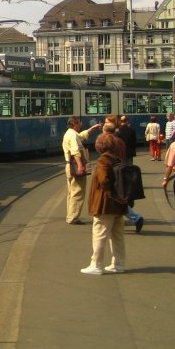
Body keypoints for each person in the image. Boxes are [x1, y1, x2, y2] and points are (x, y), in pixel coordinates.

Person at [80, 133, 128, 275]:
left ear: (100, 146)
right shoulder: (118, 159)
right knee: (117, 235)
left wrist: (110, 193)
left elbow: (104, 181)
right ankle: (118, 264)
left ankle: (96, 264)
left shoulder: (103, 161)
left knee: (99, 234)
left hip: (105, 204)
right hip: (119, 205)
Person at [62, 116, 101, 225]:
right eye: (79, 123)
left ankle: (70, 215)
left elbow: (82, 136)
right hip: (74, 166)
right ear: (75, 124)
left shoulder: (69, 133)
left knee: (71, 192)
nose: (81, 125)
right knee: (78, 192)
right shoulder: (73, 136)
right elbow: (75, 152)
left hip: (69, 166)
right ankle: (73, 217)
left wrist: (92, 128)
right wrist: (80, 165)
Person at [114, 115, 145, 233]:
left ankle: (135, 218)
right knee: (128, 175)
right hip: (129, 155)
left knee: (116, 199)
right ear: (126, 121)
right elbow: (134, 142)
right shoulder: (131, 130)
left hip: (121, 159)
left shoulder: (117, 132)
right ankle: (135, 217)